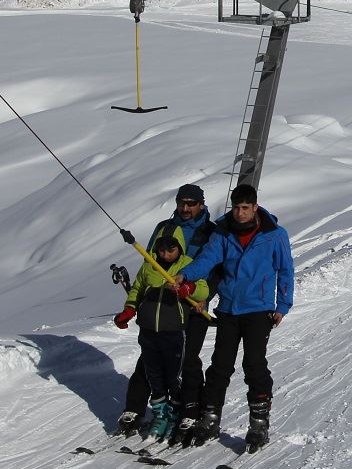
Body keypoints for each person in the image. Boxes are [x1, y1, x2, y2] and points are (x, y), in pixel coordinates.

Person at [173, 183, 293, 451]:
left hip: (259, 309)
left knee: (254, 365)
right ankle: (210, 417)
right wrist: (186, 275)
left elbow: (285, 270)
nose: (239, 213)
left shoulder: (274, 235)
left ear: (254, 206)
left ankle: (259, 422)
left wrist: (283, 305)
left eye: (245, 208)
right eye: (236, 208)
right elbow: (208, 260)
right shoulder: (223, 231)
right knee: (220, 366)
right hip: (228, 308)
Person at [115, 183, 219, 440]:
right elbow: (149, 262)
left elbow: (216, 267)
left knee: (187, 358)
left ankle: (190, 410)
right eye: (181, 202)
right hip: (164, 302)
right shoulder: (164, 227)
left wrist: (204, 296)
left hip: (194, 301)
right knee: (150, 357)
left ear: (201, 204)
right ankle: (135, 407)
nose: (185, 208)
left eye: (191, 203)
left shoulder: (210, 232)